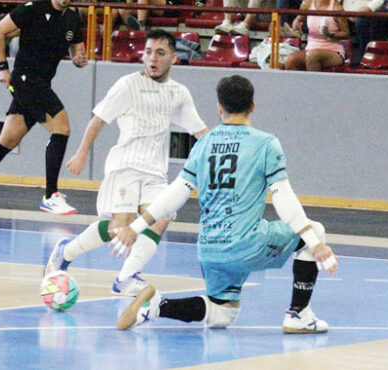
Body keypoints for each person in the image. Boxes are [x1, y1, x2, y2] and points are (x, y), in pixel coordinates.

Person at [111, 75, 338, 333]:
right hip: (246, 243)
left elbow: (176, 192)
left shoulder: (204, 143)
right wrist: (314, 242)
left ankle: (155, 307)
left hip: (209, 249)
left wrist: (136, 226)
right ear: (253, 106)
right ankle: (299, 315)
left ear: (219, 108)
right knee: (315, 230)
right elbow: (283, 196)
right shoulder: (265, 143)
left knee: (222, 314)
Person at [43, 30, 209, 296]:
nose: (152, 58)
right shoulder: (127, 84)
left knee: (159, 219)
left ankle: (126, 278)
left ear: (174, 59)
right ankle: (66, 251)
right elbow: (98, 119)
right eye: (148, 52)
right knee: (120, 228)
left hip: (155, 172)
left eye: (160, 53)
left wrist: (223, 150)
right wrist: (82, 152)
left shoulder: (179, 93)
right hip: (125, 166)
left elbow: (200, 131)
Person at [0, 0, 87, 216]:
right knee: (61, 127)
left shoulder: (72, 18)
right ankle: (51, 196)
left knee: (8, 140)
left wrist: (79, 59)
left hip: (43, 82)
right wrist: (3, 68)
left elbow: (77, 50)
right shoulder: (34, 8)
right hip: (24, 79)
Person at [285, 0, 350, 71]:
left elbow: (346, 33)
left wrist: (331, 35)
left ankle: (313, 82)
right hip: (310, 49)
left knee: (312, 56)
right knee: (290, 59)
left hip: (335, 51)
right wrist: (296, 24)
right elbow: (298, 19)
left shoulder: (336, 7)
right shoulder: (307, 4)